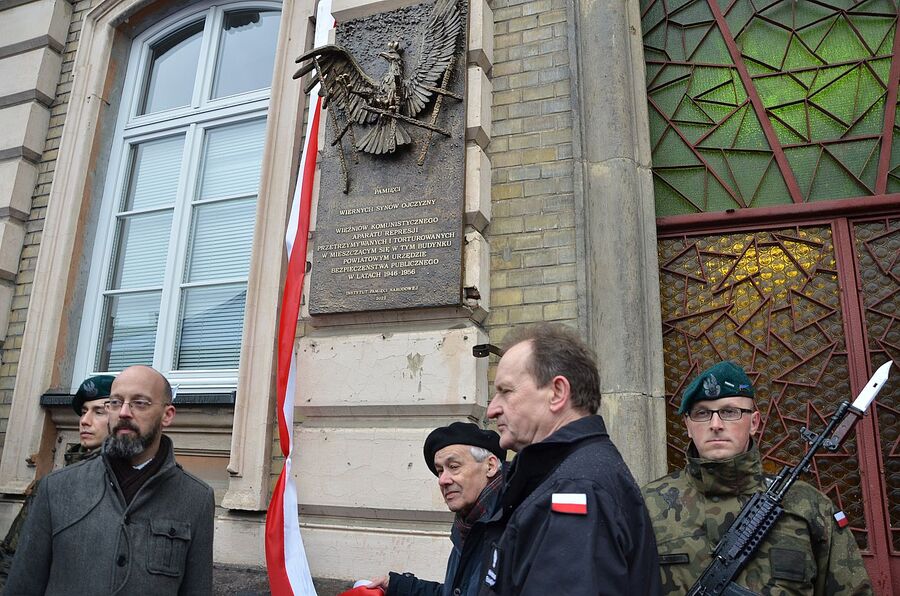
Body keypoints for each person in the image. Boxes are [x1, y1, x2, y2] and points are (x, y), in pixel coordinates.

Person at [641, 361, 872, 595]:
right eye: (702, 413)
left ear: (754, 422)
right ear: (688, 427)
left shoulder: (808, 506)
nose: (716, 425)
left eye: (729, 412)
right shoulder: (647, 505)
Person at [477, 323, 661, 595]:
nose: (492, 409)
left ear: (557, 393)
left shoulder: (576, 489)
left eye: (506, 391)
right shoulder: (565, 475)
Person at [6, 365, 215, 595]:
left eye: (140, 403)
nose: (124, 412)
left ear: (167, 415)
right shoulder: (57, 488)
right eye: (115, 402)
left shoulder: (196, 498)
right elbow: (22, 586)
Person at [368, 422, 506, 596]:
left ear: (490, 466)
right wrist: (399, 586)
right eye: (440, 471)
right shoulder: (468, 524)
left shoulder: (513, 523)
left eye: (454, 467)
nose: (442, 480)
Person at [0, 374, 114, 584]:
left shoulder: (129, 482)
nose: (84, 421)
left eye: (98, 412)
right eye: (83, 412)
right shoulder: (53, 485)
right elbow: (12, 558)